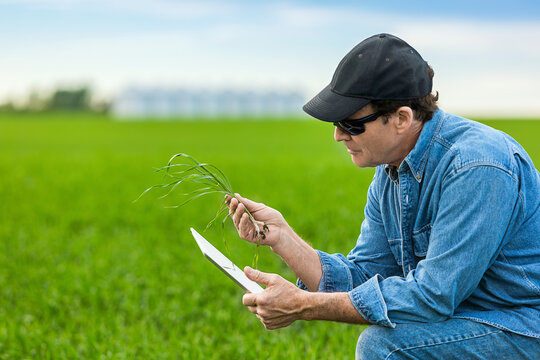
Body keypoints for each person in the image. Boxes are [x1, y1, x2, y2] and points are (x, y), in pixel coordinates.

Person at [227, 33, 540, 359]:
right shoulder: (390, 172)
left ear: (402, 118)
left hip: (524, 320)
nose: (338, 135)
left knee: (385, 347)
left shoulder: (475, 166)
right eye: (336, 122)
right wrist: (282, 238)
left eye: (351, 123)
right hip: (474, 318)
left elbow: (433, 296)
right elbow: (363, 277)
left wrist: (304, 305)